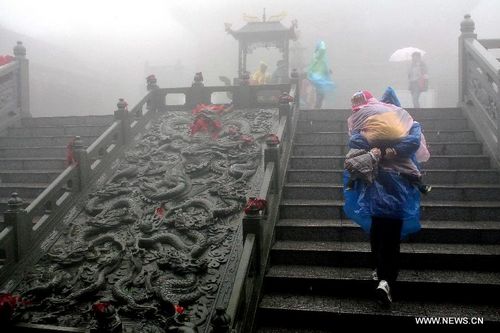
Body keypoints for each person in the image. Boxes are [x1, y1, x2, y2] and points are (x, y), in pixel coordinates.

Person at [343, 90, 430, 307]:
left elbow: (355, 140)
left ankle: (379, 270)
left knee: (378, 227)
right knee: (391, 233)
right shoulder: (410, 123)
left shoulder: (367, 121)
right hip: (400, 183)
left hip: (376, 181)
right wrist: (392, 150)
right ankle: (386, 279)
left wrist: (379, 151)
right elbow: (412, 144)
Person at [307, 41, 335, 108]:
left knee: (321, 93)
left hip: (319, 78)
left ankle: (318, 106)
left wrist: (327, 71)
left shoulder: (320, 58)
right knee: (319, 93)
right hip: (317, 78)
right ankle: (317, 106)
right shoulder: (317, 57)